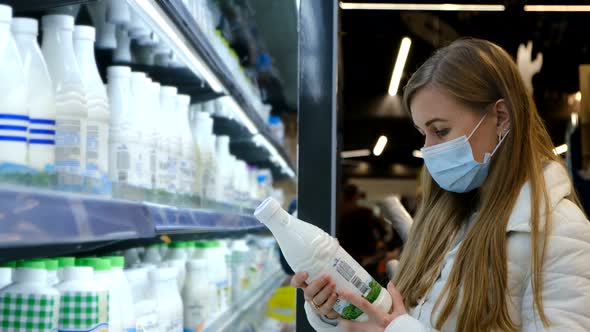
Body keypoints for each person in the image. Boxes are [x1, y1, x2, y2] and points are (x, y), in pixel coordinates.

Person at [291, 38, 590, 331]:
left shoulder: (560, 232)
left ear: (501, 117)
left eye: (440, 130)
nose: (428, 148)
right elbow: (399, 316)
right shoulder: (444, 217)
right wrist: (337, 310)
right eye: (423, 133)